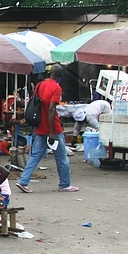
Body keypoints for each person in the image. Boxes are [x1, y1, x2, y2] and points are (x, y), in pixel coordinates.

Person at [15, 65, 79, 193]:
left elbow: (37, 102)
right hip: (53, 128)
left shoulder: (40, 85)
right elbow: (51, 109)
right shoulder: (56, 88)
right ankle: (65, 184)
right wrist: (52, 132)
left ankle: (23, 181)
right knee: (61, 158)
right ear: (60, 76)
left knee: (35, 156)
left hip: (39, 126)